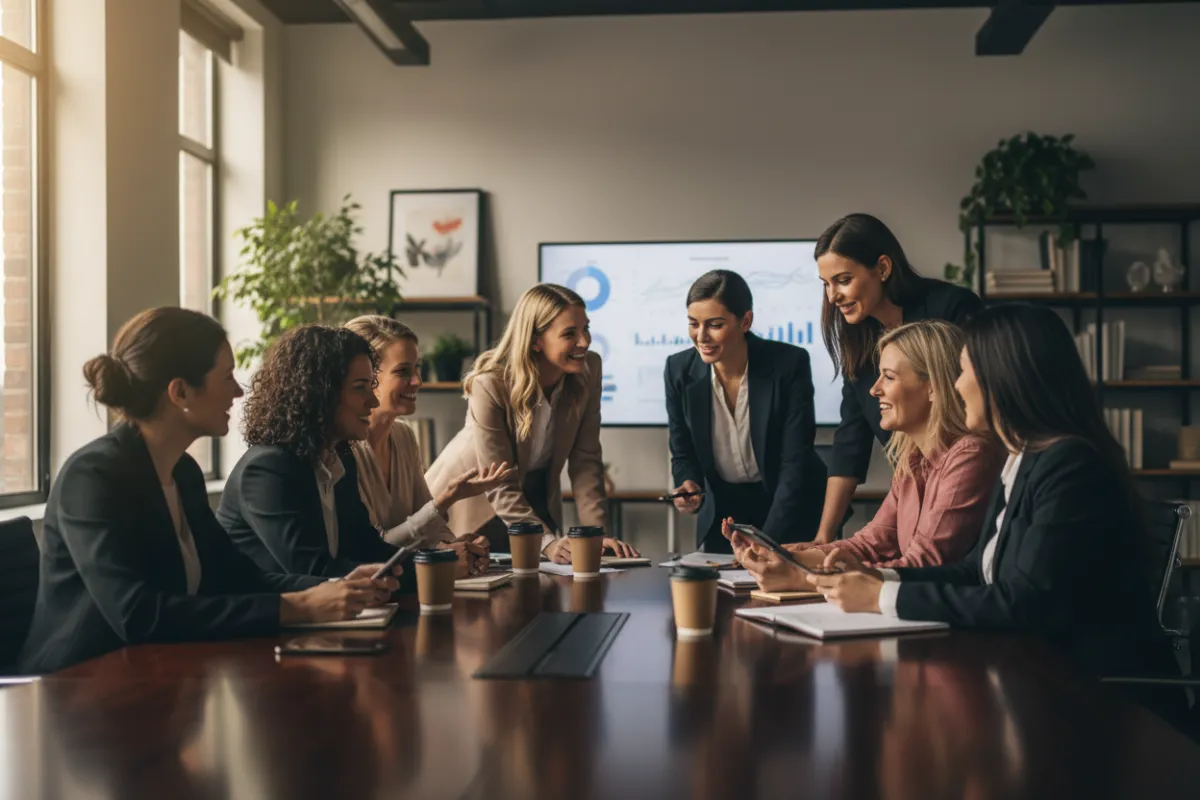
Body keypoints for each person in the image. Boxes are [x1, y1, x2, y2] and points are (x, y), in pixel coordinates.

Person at [733, 304, 1172, 678]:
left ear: (1003, 378)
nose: (958, 386)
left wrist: (877, 593)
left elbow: (1023, 602)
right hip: (1036, 678)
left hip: (1096, 701)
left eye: (964, 372)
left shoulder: (1068, 465)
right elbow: (973, 571)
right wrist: (872, 579)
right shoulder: (1024, 460)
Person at [19, 309, 396, 675]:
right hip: (75, 689)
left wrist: (340, 588)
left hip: (161, 677)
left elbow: (237, 576)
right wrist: (297, 607)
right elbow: (137, 614)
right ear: (180, 392)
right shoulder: (93, 476)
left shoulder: (183, 472)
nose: (238, 390)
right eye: (227, 377)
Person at [726, 319, 1005, 586]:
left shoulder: (971, 455)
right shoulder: (913, 460)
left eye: (889, 377)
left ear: (932, 386)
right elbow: (868, 544)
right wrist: (784, 557)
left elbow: (924, 565)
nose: (874, 389)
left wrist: (803, 578)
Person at [425, 283, 639, 563]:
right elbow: (499, 483)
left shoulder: (589, 369)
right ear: (536, 340)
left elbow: (586, 462)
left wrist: (595, 536)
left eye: (585, 329)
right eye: (569, 334)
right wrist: (547, 542)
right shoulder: (490, 383)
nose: (584, 341)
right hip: (475, 505)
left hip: (533, 501)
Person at [220, 325, 452, 578]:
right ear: (319, 393)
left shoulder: (338, 458)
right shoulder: (266, 470)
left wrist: (443, 560)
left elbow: (369, 549)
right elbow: (315, 572)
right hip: (275, 617)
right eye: (360, 387)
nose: (372, 401)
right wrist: (437, 570)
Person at [814, 213, 983, 545]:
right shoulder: (858, 338)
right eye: (826, 284)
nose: (833, 296)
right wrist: (823, 537)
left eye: (843, 280)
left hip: (968, 483)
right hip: (914, 484)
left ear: (883, 268)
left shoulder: (952, 308)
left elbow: (981, 405)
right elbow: (850, 442)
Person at [664, 269, 827, 552]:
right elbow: (682, 450)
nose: (701, 336)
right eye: (693, 324)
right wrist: (687, 483)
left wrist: (765, 543)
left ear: (745, 321)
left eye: (714, 324)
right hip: (725, 512)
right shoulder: (678, 370)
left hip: (789, 505)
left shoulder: (789, 364)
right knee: (721, 592)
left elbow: (794, 462)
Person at [344, 315, 514, 577]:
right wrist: (447, 499)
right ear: (366, 377)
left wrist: (456, 545)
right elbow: (376, 548)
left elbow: (428, 529)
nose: (417, 381)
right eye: (403, 371)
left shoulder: (403, 435)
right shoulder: (344, 449)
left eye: (417, 368)